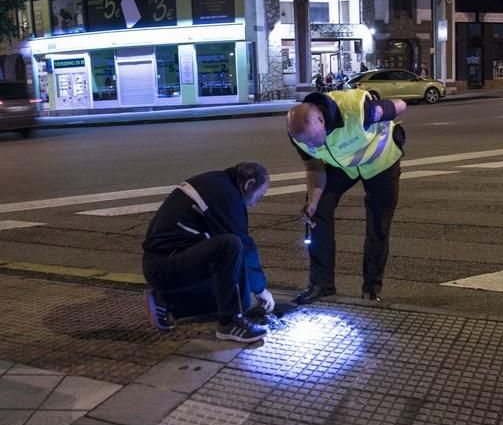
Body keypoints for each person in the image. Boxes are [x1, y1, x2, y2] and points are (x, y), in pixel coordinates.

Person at [286, 89, 407, 305]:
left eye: (314, 139)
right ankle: (321, 284)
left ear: (321, 120)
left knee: (378, 224)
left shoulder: (358, 111)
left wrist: (380, 111)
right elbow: (314, 168)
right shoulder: (299, 133)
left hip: (381, 162)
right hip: (344, 165)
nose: (313, 145)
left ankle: (371, 288)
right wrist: (312, 202)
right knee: (317, 212)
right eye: (307, 142)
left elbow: (400, 104)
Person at [141, 162, 274, 343]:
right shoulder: (226, 196)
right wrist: (260, 289)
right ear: (249, 184)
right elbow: (243, 245)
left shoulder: (217, 184)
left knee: (230, 294)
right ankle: (230, 322)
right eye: (260, 196)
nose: (256, 204)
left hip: (167, 262)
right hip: (165, 266)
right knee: (231, 245)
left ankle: (167, 300)